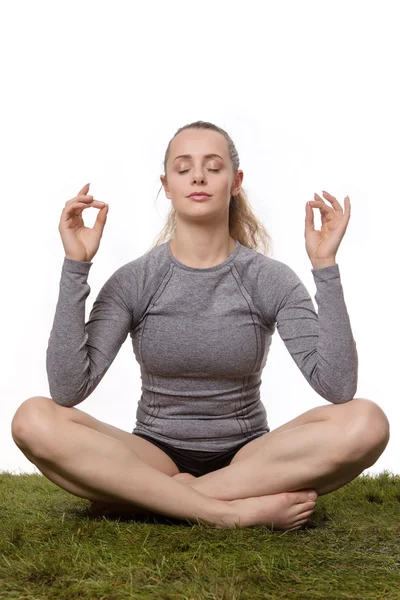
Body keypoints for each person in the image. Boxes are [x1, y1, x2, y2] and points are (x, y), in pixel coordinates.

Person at [11, 121, 390, 531]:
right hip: (152, 454)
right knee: (32, 418)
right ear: (167, 184)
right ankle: (226, 512)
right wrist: (76, 266)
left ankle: (149, 498)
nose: (198, 176)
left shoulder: (269, 279)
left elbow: (337, 386)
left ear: (235, 181)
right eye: (183, 167)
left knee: (368, 422)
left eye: (213, 166)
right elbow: (69, 389)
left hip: (250, 459)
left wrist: (325, 267)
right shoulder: (135, 280)